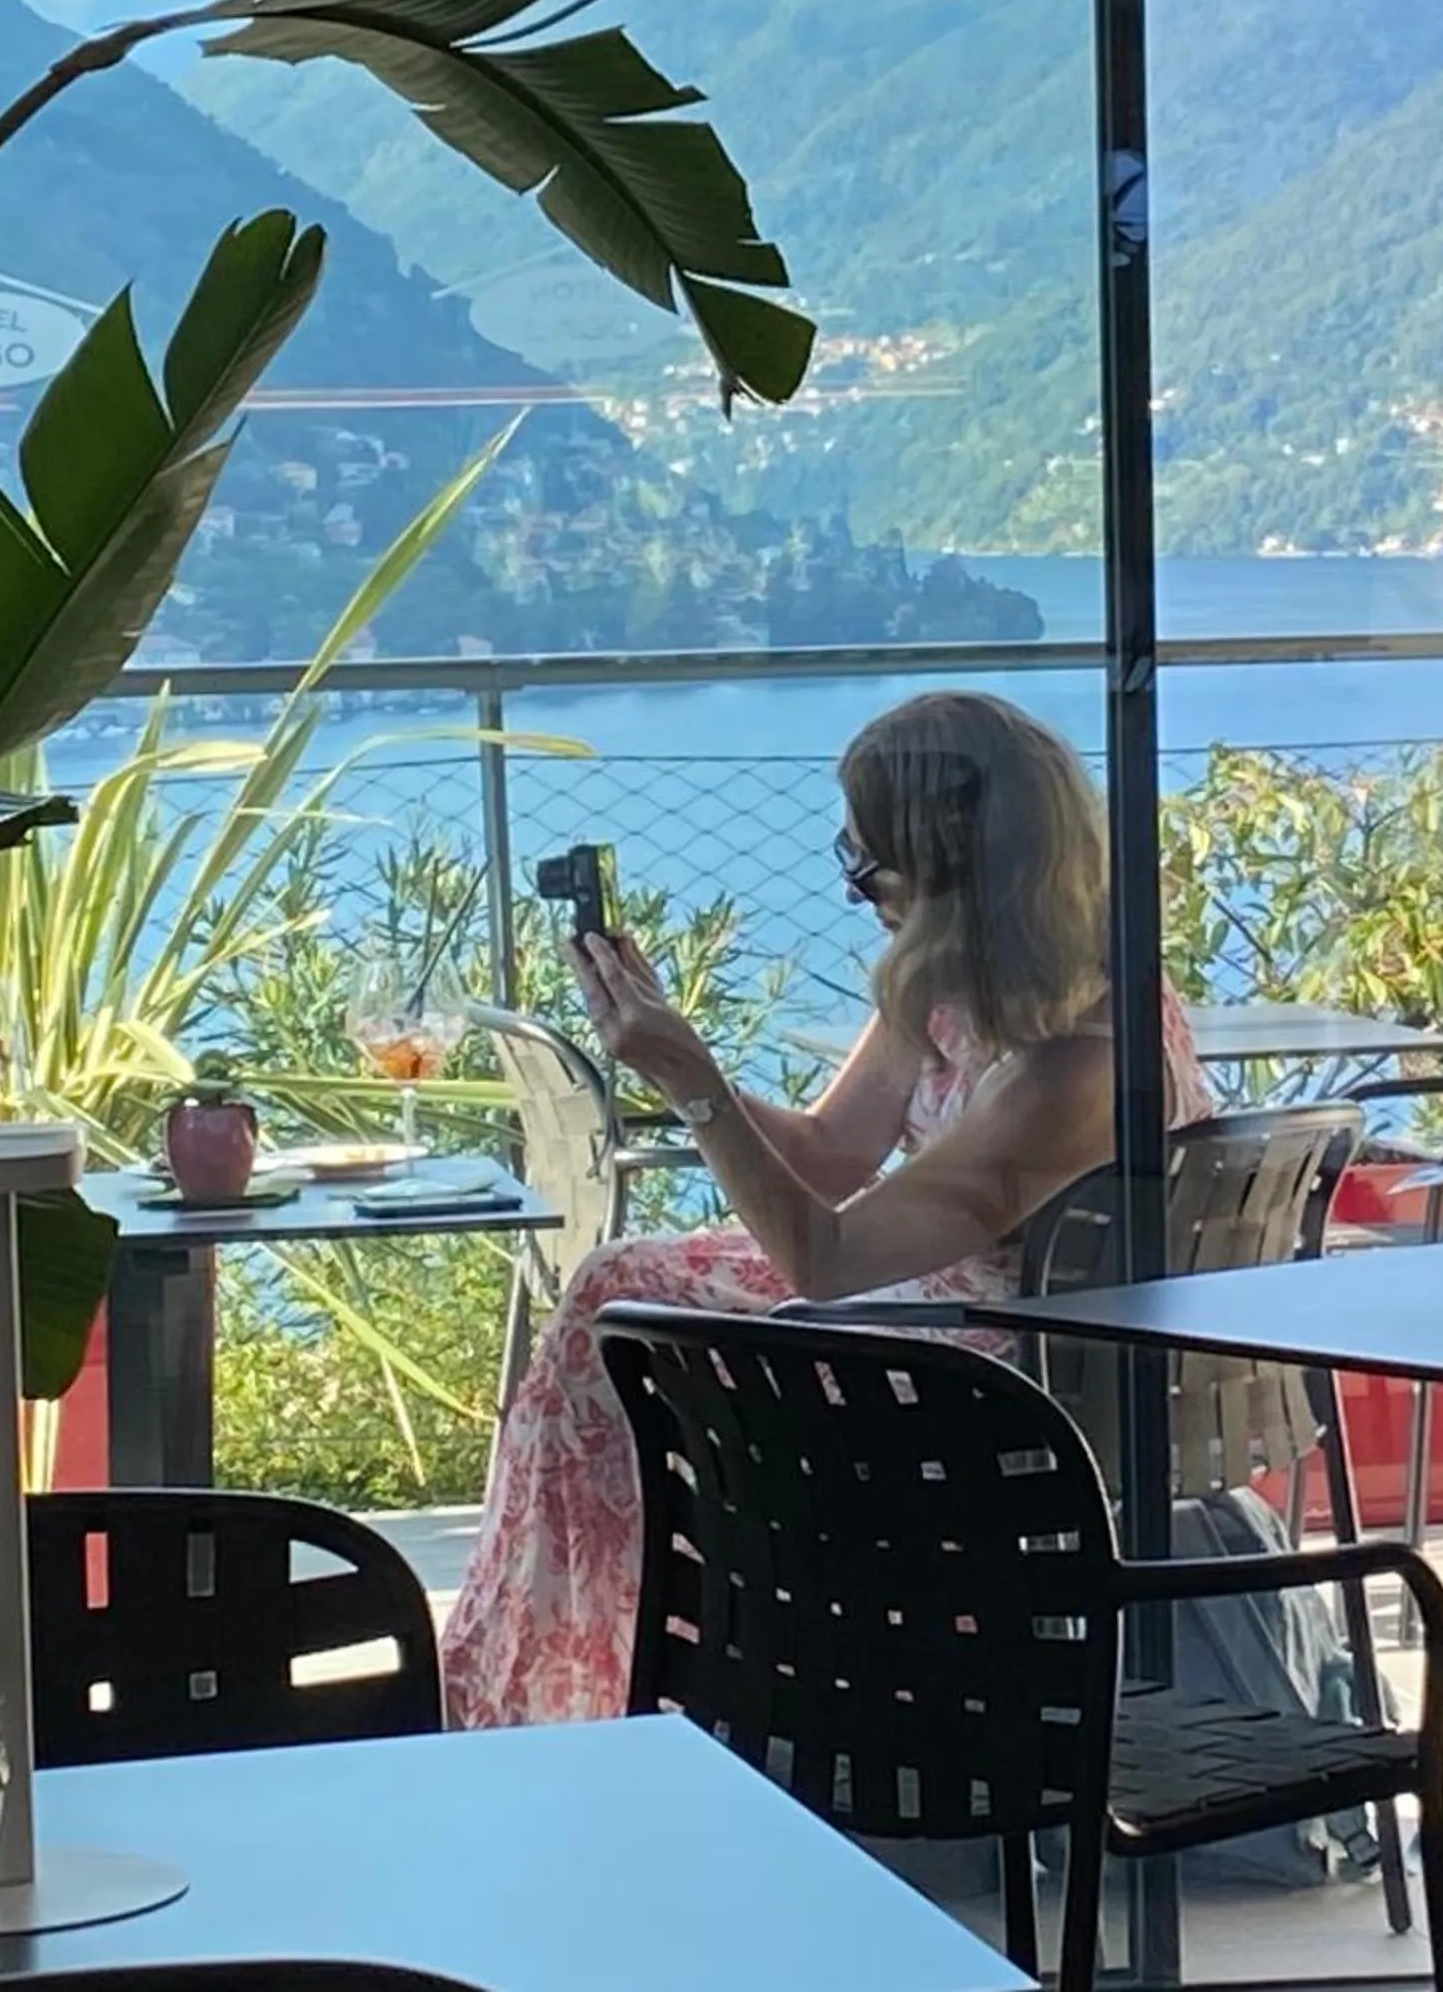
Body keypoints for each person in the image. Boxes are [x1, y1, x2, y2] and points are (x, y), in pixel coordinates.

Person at [443, 690, 1210, 1728]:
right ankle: (580, 1679)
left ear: (949, 866)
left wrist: (699, 1090)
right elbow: (827, 1154)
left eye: (868, 867)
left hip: (988, 1374)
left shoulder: (1083, 1064)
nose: (859, 895)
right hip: (916, 1304)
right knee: (617, 1293)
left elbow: (825, 1258)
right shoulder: (953, 981)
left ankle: (579, 1693)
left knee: (621, 1313)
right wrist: (682, 1058)